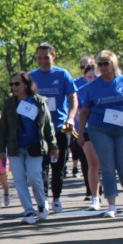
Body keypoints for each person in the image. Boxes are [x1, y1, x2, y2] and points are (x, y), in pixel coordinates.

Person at [77, 50, 123, 218]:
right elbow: (84, 111)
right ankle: (111, 204)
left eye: (106, 63)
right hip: (100, 130)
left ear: (113, 64)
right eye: (100, 64)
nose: (103, 67)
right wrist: (81, 132)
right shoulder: (93, 86)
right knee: (106, 166)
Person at [0, 72, 57, 224]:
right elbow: (3, 127)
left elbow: (48, 125)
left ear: (26, 84)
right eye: (11, 84)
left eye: (17, 84)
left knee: (34, 176)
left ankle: (42, 204)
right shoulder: (10, 103)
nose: (14, 87)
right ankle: (28, 209)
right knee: (19, 179)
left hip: (35, 146)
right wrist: (1, 149)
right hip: (15, 147)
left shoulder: (38, 101)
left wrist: (53, 146)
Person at [30, 42, 77, 214]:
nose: (43, 61)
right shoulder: (31, 76)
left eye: (46, 58)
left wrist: (71, 118)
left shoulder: (62, 74)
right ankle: (43, 200)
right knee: (41, 167)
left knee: (58, 166)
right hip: (39, 130)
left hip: (59, 128)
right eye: (39, 58)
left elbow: (73, 98)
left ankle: (56, 198)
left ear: (53, 56)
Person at [73, 55, 102, 209]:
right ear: (85, 77)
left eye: (95, 77)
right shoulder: (80, 91)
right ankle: (94, 196)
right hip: (86, 130)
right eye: (89, 77)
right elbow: (75, 110)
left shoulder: (105, 89)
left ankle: (109, 192)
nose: (92, 80)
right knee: (91, 163)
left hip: (104, 130)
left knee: (105, 163)